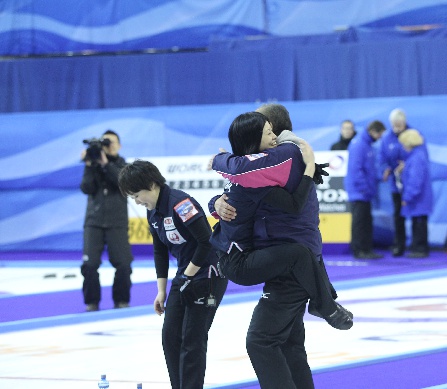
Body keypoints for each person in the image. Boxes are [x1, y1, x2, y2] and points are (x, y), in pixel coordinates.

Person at [211, 103, 350, 389]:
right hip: (280, 258)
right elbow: (241, 181)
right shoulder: (263, 171)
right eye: (267, 133)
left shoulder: (285, 153)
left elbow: (241, 172)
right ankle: (324, 301)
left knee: (261, 340)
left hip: (291, 262)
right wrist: (216, 203)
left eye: (271, 129)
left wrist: (218, 160)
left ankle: (325, 304)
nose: (272, 136)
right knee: (288, 343)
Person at [118, 160, 228, 389]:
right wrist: (161, 291)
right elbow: (160, 251)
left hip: (207, 274)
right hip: (185, 276)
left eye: (137, 195)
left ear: (151, 184)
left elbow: (206, 242)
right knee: (170, 337)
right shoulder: (154, 212)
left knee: (192, 340)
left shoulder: (180, 204)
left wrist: (186, 277)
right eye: (132, 198)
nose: (137, 202)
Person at [80, 129, 133, 312]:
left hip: (117, 222)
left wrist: (105, 164)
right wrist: (89, 165)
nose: (108, 146)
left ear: (119, 145)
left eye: (112, 143)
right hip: (93, 222)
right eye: (105, 143)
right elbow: (86, 188)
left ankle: (121, 301)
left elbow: (121, 182)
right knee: (89, 264)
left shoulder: (123, 165)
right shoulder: (92, 165)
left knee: (124, 264)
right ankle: (92, 302)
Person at [345, 120, 386, 259]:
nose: (380, 138)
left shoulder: (367, 145)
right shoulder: (359, 145)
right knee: (359, 222)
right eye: (380, 135)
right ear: (373, 132)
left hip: (365, 191)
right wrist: (364, 188)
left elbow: (369, 170)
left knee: (366, 222)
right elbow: (356, 170)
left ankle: (366, 249)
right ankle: (358, 250)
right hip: (359, 191)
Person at [378, 108, 411, 257]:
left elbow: (419, 156)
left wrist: (407, 165)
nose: (397, 128)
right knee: (398, 215)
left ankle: (418, 245)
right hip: (395, 184)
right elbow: (382, 159)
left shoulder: (413, 134)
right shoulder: (386, 138)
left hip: (411, 182)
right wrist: (386, 169)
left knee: (417, 214)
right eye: (394, 125)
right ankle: (399, 245)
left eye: (400, 125)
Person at [397, 129, 433, 258]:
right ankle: (419, 247)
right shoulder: (418, 156)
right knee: (419, 223)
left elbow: (415, 181)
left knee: (418, 224)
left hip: (419, 199)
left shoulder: (416, 158)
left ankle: (420, 249)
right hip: (421, 198)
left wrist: (407, 197)